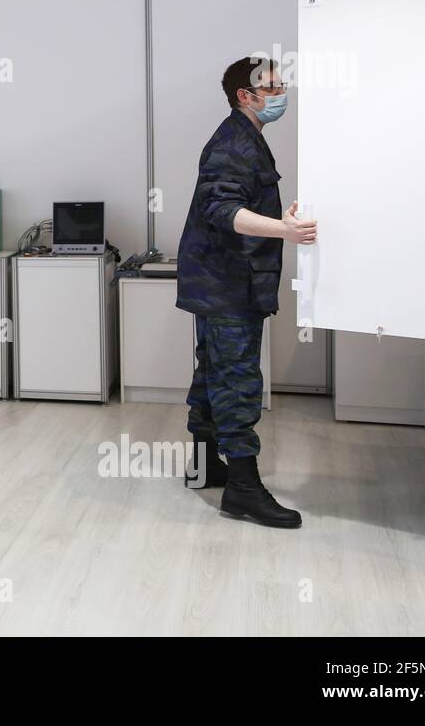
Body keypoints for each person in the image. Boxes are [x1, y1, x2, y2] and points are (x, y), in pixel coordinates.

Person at [176, 56, 317, 528]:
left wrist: (279, 221)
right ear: (246, 94)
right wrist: (284, 229)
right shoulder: (234, 141)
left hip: (220, 279)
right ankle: (242, 489)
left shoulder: (246, 138)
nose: (281, 95)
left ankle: (204, 466)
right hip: (227, 283)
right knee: (236, 380)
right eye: (273, 88)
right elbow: (220, 208)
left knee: (213, 370)